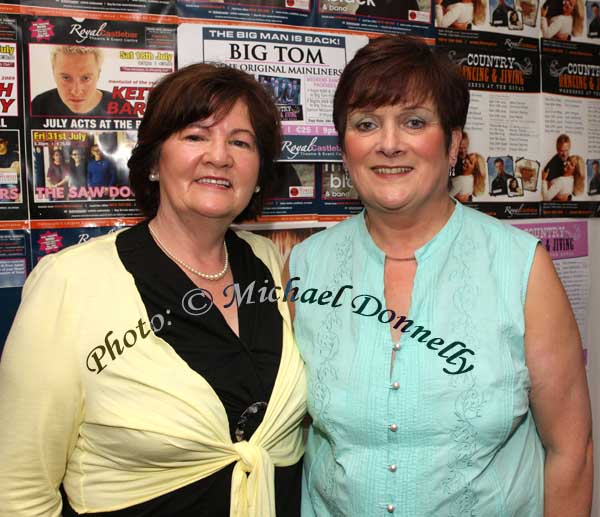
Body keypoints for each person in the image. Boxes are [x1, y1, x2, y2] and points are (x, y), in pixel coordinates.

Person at [286, 35, 592, 516]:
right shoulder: (305, 268)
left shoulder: (521, 267)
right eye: (366, 124)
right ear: (345, 149)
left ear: (454, 144)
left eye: (414, 121)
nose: (389, 144)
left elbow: (570, 450)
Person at [0, 63, 306, 516]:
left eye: (240, 142)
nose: (219, 156)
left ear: (259, 171)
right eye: (195, 136)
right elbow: (19, 490)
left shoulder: (270, 262)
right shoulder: (70, 281)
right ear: (154, 161)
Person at [31, 46, 132, 117]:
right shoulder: (39, 105)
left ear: (99, 74)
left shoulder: (123, 109)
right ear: (53, 72)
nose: (76, 91)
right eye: (66, 78)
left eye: (86, 78)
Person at [0, 136, 20, 201]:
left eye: (0, 142)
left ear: (6, 143)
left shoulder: (14, 154)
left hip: (10, 183)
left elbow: (16, 171)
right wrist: (9, 171)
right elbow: (12, 171)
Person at [356, 0, 420, 20]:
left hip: (400, 41)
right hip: (376, 39)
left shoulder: (409, 1)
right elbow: (359, 16)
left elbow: (416, 21)